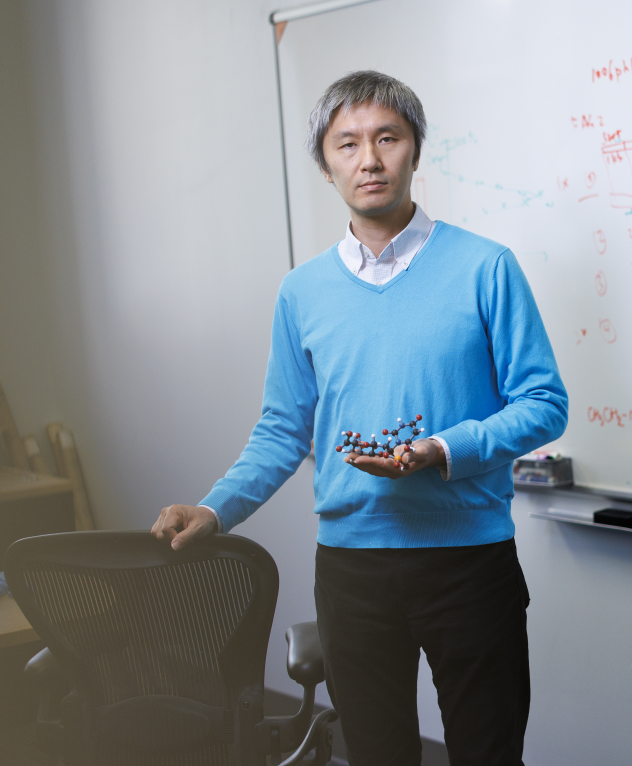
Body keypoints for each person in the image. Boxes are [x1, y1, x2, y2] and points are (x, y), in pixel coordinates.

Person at [151, 70, 567, 766]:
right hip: (352, 571)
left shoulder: (486, 268)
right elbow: (284, 428)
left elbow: (543, 403)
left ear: (414, 150)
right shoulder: (302, 291)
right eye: (347, 144)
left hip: (469, 562)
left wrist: (442, 447)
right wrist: (215, 509)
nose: (369, 159)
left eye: (387, 138)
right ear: (326, 164)